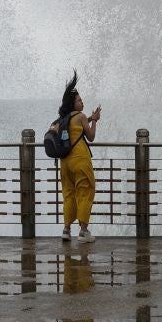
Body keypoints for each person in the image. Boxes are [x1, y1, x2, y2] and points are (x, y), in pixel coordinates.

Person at [58, 71, 101, 243]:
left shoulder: (64, 119)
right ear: (72, 104)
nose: (82, 102)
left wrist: (91, 118)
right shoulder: (81, 116)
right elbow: (90, 136)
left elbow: (77, 127)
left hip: (65, 162)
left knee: (69, 194)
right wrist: (94, 121)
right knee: (85, 191)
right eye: (79, 100)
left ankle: (66, 229)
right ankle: (83, 231)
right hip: (80, 160)